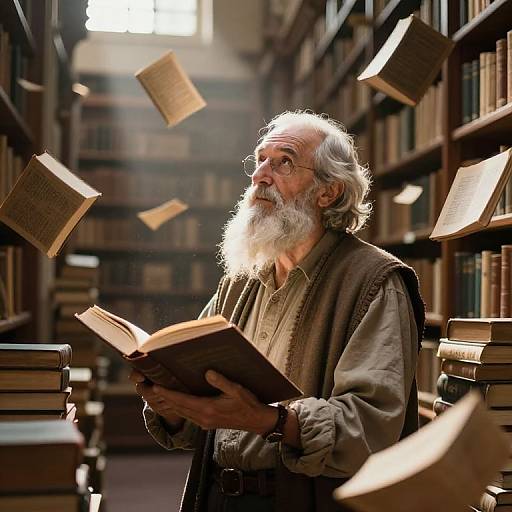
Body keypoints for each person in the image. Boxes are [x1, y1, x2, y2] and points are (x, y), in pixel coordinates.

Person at [130, 110, 425, 512]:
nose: (259, 176)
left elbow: (370, 426)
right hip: (215, 495)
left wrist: (267, 420)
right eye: (260, 159)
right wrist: (171, 401)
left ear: (329, 192)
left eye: (283, 161)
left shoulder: (373, 281)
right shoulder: (241, 278)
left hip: (300, 500)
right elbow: (198, 396)